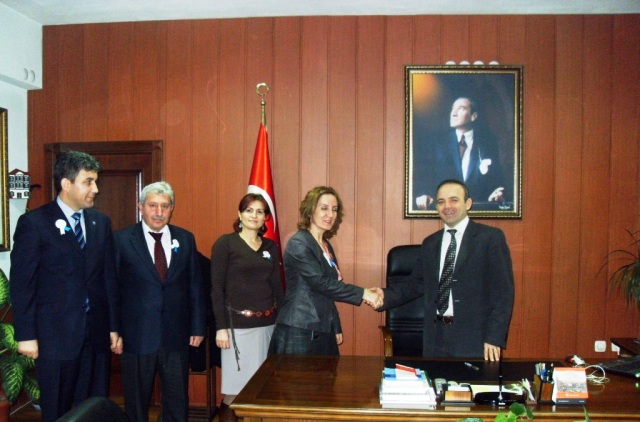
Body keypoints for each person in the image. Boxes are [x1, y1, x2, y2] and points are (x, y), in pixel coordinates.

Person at [9, 150, 121, 422]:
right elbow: (23, 283)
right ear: (66, 184)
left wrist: (113, 327)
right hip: (55, 339)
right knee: (58, 409)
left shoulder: (100, 223)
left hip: (95, 336)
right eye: (88, 182)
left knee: (93, 408)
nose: (95, 189)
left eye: (95, 181)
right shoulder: (35, 223)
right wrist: (26, 335)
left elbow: (108, 279)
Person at [381, 179, 514, 360]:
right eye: (441, 202)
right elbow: (416, 284)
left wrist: (494, 337)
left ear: (468, 203)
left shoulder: (490, 238)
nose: (447, 206)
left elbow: (503, 293)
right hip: (435, 337)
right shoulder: (430, 243)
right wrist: (382, 296)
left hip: (475, 339)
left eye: (454, 200)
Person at [114, 181, 206, 422]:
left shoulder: (185, 239)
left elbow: (195, 286)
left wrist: (197, 327)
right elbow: (112, 290)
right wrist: (115, 331)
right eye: (152, 205)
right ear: (140, 207)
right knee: (136, 403)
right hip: (136, 336)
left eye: (165, 206)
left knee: (177, 401)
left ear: (172, 208)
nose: (158, 212)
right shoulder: (121, 239)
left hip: (176, 335)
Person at [268, 186, 382, 356]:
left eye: (334, 209)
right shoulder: (299, 243)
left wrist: (335, 324)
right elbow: (320, 283)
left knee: (328, 373)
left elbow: (330, 289)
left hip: (322, 328)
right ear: (310, 211)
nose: (330, 214)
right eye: (324, 208)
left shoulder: (325, 244)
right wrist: (364, 293)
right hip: (299, 328)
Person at [211, 193, 285, 422]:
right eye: (249, 210)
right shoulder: (226, 243)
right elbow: (216, 289)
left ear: (265, 218)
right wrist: (221, 328)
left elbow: (278, 288)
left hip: (268, 327)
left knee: (262, 389)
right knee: (235, 392)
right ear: (240, 214)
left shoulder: (270, 246)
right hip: (237, 329)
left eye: (260, 211)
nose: (254, 215)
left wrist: (283, 324)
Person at [414, 97, 506, 210]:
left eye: (461, 108)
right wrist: (423, 194)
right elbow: (426, 177)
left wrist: (496, 193)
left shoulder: (487, 144)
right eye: (453, 108)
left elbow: (497, 179)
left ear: (473, 116)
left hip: (477, 211)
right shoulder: (437, 143)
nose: (453, 113)